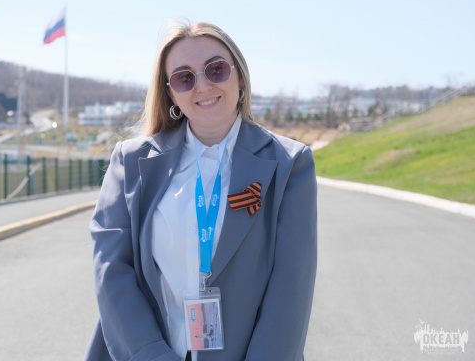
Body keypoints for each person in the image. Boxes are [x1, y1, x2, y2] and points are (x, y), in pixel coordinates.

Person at [84, 21, 317, 361]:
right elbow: (111, 273)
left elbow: (290, 291)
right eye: (184, 78)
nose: (203, 86)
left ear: (240, 77)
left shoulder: (289, 164)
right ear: (171, 93)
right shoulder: (130, 161)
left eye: (216, 69)